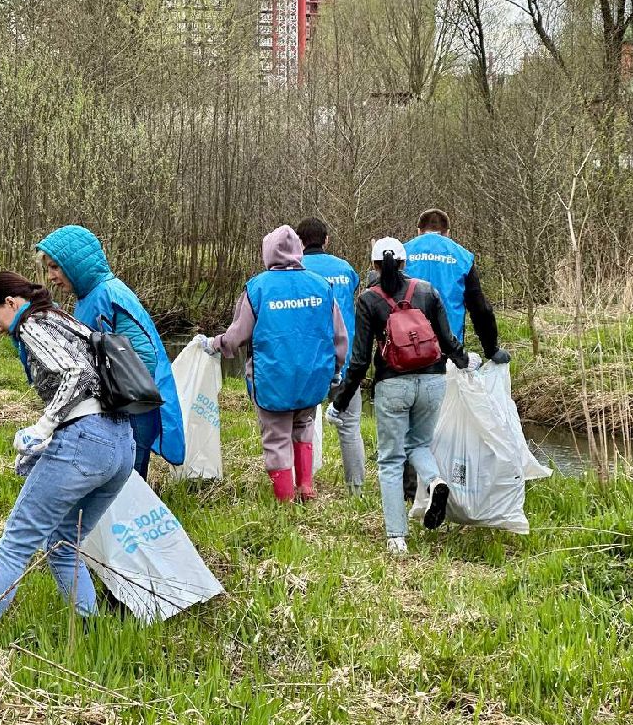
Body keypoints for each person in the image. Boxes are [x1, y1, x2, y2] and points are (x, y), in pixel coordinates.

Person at [0, 272, 135, 626]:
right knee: (62, 542)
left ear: (12, 304)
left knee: (16, 542)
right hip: (121, 445)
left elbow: (75, 373)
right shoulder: (65, 319)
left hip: (87, 441)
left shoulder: (33, 324)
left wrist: (41, 428)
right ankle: (90, 629)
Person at [327, 238, 469, 556]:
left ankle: (396, 538)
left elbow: (360, 360)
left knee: (390, 459)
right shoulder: (427, 290)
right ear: (405, 262)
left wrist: (340, 400)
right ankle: (434, 482)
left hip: (393, 385)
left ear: (374, 265)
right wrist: (465, 361)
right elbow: (447, 341)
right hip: (433, 381)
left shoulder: (367, 300)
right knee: (418, 444)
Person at [197, 225, 348, 503]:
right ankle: (306, 488)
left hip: (273, 379)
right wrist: (335, 371)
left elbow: (236, 337)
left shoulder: (258, 288)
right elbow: (339, 337)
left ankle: (286, 503)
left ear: (268, 252)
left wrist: (213, 344)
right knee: (303, 427)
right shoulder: (321, 286)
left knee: (276, 437)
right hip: (312, 378)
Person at [36, 226, 185, 479]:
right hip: (128, 401)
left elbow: (142, 357)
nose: (51, 276)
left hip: (136, 403)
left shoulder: (106, 294)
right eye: (48, 268)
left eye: (55, 267)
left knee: (128, 477)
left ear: (74, 264)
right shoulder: (92, 295)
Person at [296, 216, 365, 495]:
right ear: (327, 240)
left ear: (299, 243)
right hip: (346, 360)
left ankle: (305, 483)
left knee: (302, 424)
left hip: (309, 361)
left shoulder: (295, 270)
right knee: (350, 427)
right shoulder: (345, 269)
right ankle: (356, 491)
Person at [403, 209, 509, 364]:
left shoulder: (402, 252)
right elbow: (480, 308)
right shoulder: (462, 257)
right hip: (449, 347)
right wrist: (491, 349)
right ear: (447, 233)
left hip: (406, 343)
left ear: (419, 231)